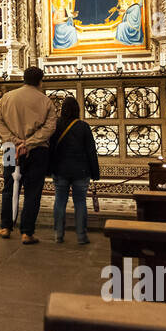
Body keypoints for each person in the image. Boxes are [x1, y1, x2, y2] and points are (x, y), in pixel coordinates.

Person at [0, 66, 57, 245]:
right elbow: (50, 128)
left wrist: (14, 141)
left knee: (8, 187)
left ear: (24, 79)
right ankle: (27, 233)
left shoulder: (7, 97)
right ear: (40, 81)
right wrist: (28, 143)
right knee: (33, 191)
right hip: (37, 151)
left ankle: (5, 227)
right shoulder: (46, 101)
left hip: (9, 149)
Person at [48, 97, 101, 244]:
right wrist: (95, 173)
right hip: (81, 171)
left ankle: (58, 235)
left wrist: (49, 169)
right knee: (80, 202)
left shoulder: (56, 126)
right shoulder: (83, 126)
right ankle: (81, 236)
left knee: (59, 201)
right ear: (77, 109)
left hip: (60, 170)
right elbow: (91, 151)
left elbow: (51, 149)